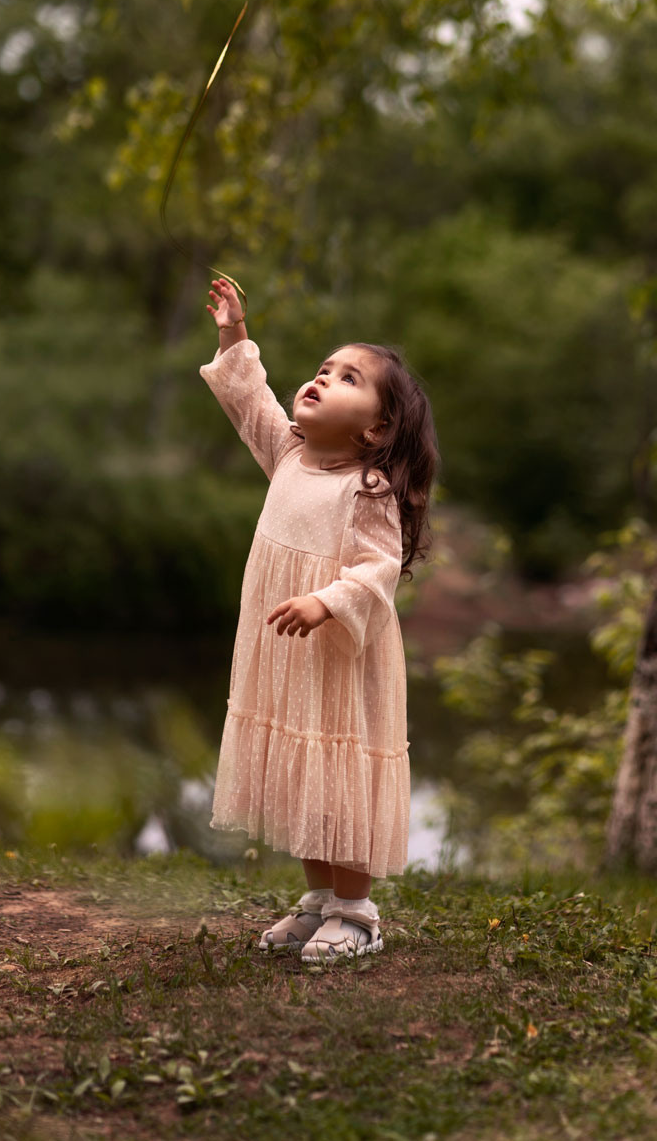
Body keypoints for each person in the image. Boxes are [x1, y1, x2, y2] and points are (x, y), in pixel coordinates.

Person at [200, 278, 438, 962]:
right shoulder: (290, 456)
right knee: (304, 773)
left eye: (347, 378)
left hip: (338, 652)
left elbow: (378, 568)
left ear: (377, 427)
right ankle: (318, 901)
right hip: (286, 655)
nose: (323, 378)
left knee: (338, 769)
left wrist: (326, 600)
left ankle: (357, 910)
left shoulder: (368, 491)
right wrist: (233, 333)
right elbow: (248, 402)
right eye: (324, 369)